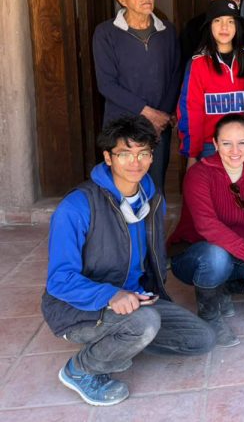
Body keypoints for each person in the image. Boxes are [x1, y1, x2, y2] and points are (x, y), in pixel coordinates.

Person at [42, 116, 215, 407]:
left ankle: (123, 340)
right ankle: (80, 370)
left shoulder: (152, 198)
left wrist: (144, 295)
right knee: (145, 323)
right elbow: (59, 280)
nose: (135, 162)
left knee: (201, 338)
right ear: (108, 157)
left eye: (143, 153)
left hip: (136, 299)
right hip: (79, 307)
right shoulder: (77, 206)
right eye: (124, 153)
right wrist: (110, 295)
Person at [168, 115, 244, 347]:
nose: (235, 150)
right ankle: (210, 316)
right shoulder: (199, 174)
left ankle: (221, 289)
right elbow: (207, 226)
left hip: (235, 255)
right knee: (215, 256)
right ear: (215, 143)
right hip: (193, 255)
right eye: (226, 143)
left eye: (242, 143)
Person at [93, 0, 180, 195]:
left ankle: (153, 230)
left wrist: (163, 115)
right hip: (122, 122)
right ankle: (122, 231)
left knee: (155, 185)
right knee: (123, 185)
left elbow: (175, 74)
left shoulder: (167, 31)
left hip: (159, 125)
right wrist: (150, 114)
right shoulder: (106, 33)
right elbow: (107, 84)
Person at [177, 0, 244, 168]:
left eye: (230, 21)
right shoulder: (198, 63)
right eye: (218, 21)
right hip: (210, 145)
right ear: (209, 26)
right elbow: (191, 111)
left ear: (237, 26)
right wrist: (192, 153)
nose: (224, 27)